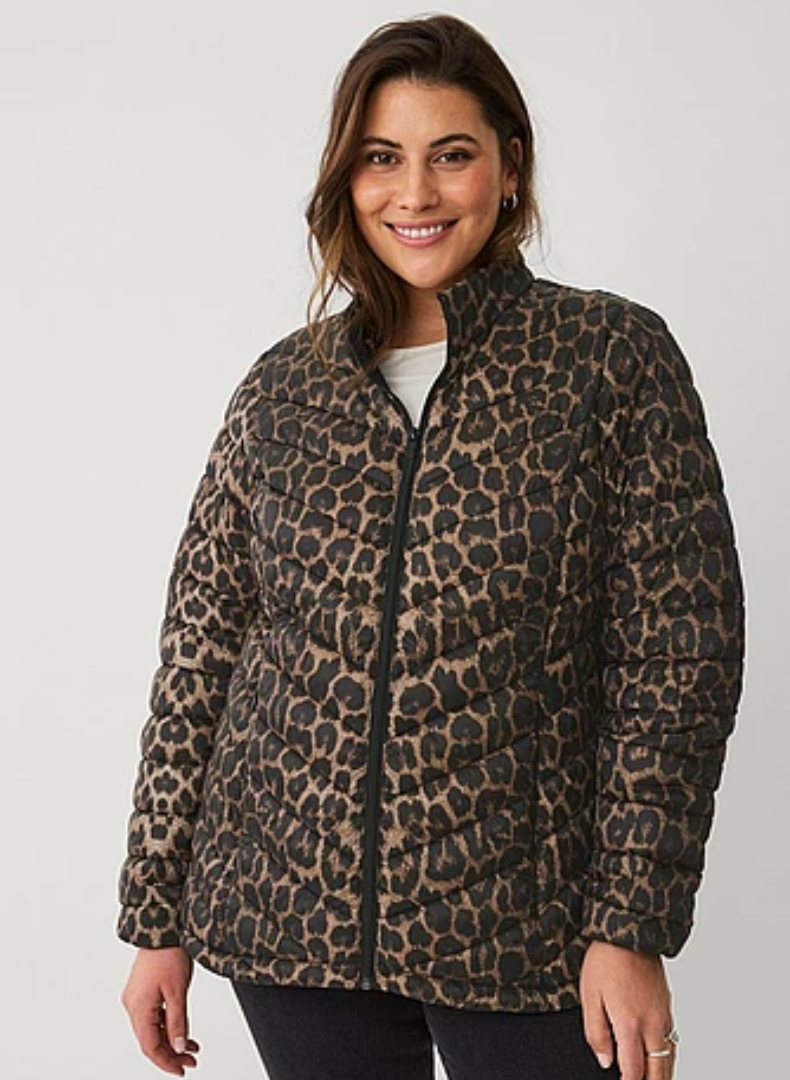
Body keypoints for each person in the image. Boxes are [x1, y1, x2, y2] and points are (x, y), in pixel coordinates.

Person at [118, 13, 745, 1080]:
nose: (413, 193)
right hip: (288, 918)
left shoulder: (607, 360)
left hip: (530, 930)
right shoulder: (284, 388)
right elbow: (201, 658)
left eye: (450, 155)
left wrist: (631, 923)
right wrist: (155, 917)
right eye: (381, 158)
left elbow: (677, 658)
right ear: (346, 178)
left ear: (511, 169)